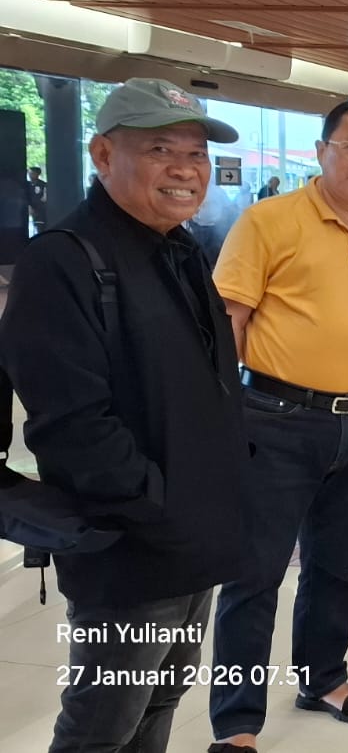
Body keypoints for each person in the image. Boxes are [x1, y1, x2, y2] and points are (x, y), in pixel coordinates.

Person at [0, 78, 249, 752]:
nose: (185, 169)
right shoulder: (64, 260)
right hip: (131, 548)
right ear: (104, 155)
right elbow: (72, 425)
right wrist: (156, 505)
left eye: (196, 154)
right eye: (160, 149)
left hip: (195, 537)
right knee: (102, 724)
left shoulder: (180, 250)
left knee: (160, 701)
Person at [208, 100, 348, 750]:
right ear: (321, 150)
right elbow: (230, 321)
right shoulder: (268, 221)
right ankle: (237, 723)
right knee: (255, 572)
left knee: (335, 565)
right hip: (276, 420)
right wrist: (225, 411)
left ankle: (322, 678)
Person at [25, 165, 47, 232]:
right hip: (29, 208)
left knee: (40, 227)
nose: (30, 175)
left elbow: (44, 198)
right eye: (29, 173)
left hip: (40, 211)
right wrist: (29, 206)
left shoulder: (43, 184)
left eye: (32, 173)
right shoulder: (26, 185)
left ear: (37, 174)